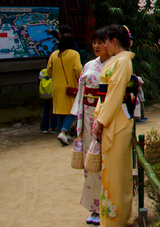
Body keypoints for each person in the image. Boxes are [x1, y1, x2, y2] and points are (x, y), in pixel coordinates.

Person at [92, 24, 136, 227]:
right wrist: (98, 116)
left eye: (105, 41)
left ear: (114, 41)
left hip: (117, 119)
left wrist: (101, 119)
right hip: (111, 116)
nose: (103, 45)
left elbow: (116, 93)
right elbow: (108, 95)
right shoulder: (117, 61)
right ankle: (110, 219)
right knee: (110, 172)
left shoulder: (123, 61)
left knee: (118, 172)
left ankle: (120, 220)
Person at [70, 27, 110, 226]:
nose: (96, 46)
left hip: (107, 118)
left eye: (100, 42)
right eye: (94, 42)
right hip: (87, 117)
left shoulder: (115, 65)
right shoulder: (88, 66)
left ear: (109, 43)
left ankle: (108, 206)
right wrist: (78, 123)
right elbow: (81, 93)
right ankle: (93, 208)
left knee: (107, 163)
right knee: (91, 161)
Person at [47, 32, 82, 145]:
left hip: (56, 86)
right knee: (72, 110)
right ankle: (63, 131)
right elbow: (78, 69)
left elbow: (49, 70)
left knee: (59, 110)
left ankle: (61, 133)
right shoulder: (74, 54)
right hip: (69, 86)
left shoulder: (54, 54)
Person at [39, 67, 57, 134]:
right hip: (53, 94)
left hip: (45, 95)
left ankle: (44, 128)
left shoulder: (42, 72)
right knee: (54, 111)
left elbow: (39, 81)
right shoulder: (55, 70)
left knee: (46, 111)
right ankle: (53, 127)